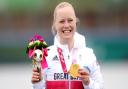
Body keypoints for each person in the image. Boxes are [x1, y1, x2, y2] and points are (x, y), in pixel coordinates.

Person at [31, 2, 104, 89]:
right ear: (55, 25)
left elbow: (100, 87)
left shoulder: (88, 54)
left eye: (70, 20)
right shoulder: (46, 56)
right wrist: (37, 84)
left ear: (75, 22)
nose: (66, 25)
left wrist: (88, 82)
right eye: (62, 21)